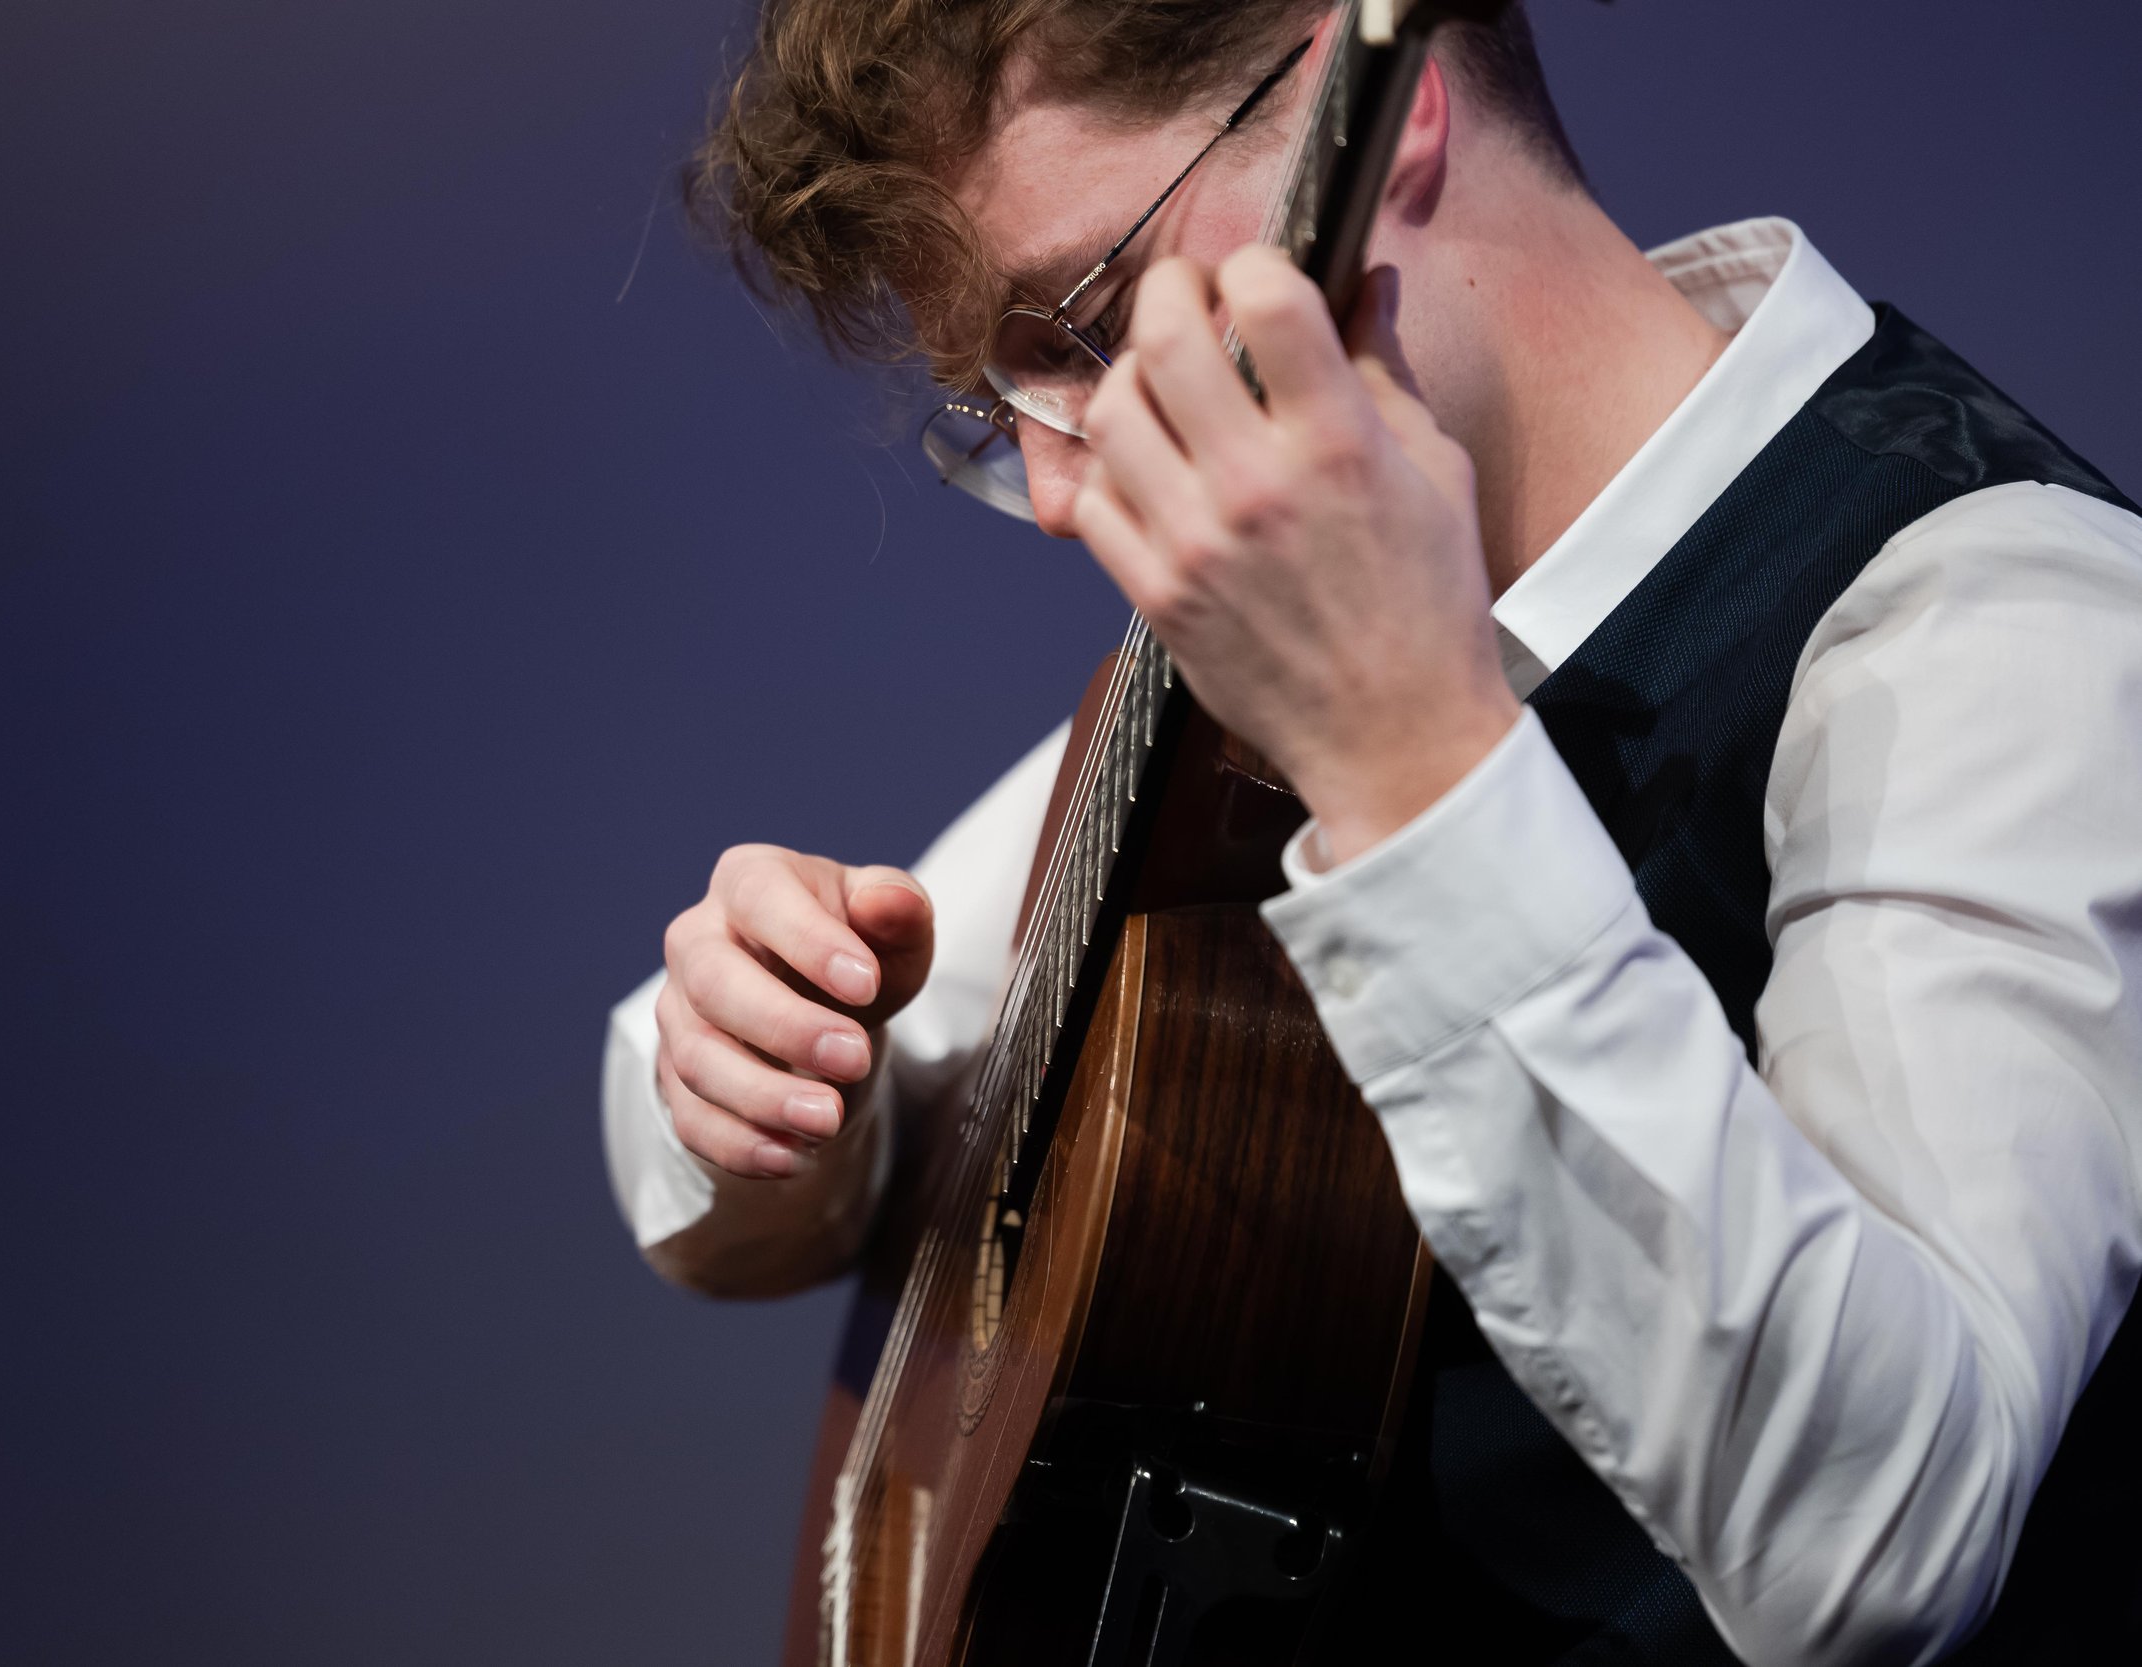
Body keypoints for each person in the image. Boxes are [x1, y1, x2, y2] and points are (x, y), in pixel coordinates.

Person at [600, 3, 2142, 1661]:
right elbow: (694, 1133)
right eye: (1001, 399)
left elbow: (1884, 1541)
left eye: (1086, 319)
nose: (1059, 493)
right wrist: (778, 1084)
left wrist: (1414, 765)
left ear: (1373, 113)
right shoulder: (1239, 635)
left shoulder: (1999, 620)